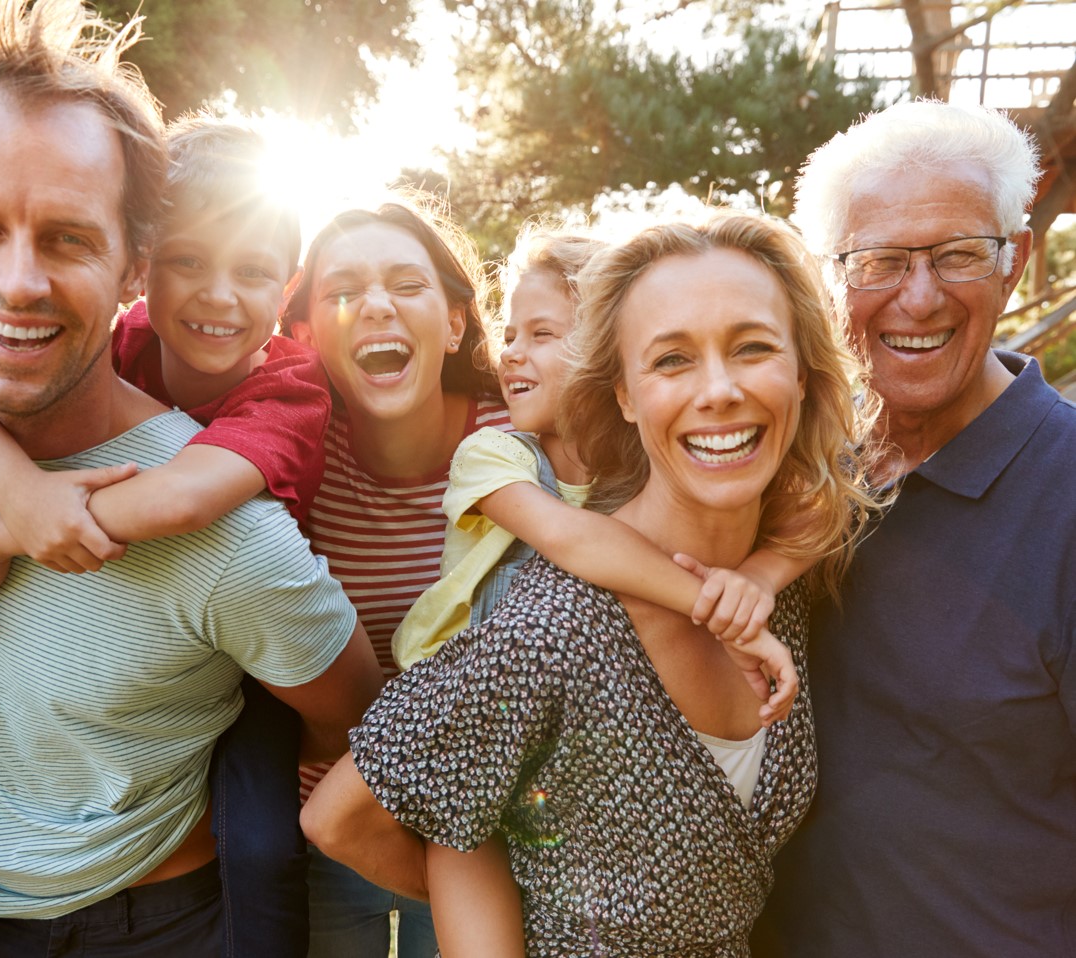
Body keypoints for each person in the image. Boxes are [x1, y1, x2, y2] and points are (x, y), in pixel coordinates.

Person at [0, 2, 382, 955]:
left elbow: (355, 716)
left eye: (67, 238)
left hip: (158, 922)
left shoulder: (235, 517)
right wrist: (16, 492)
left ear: (130, 262)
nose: (18, 283)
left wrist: (17, 530)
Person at [304, 212, 881, 957]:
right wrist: (538, 915)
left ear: (802, 374)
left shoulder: (788, 579)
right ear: (623, 394)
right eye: (671, 359)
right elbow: (339, 819)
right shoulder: (553, 629)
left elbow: (842, 488)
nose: (718, 390)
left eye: (753, 347)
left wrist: (762, 579)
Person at [754, 102, 1076, 958]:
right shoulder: (784, 474)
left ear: (1014, 264)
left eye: (959, 253)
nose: (920, 296)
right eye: (880, 261)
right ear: (828, 279)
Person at [391, 223, 804, 716]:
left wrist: (759, 578)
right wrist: (723, 612)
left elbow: (820, 503)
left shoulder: (645, 461)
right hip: (455, 696)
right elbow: (572, 539)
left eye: (542, 334)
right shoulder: (492, 455)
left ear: (604, 355)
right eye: (510, 336)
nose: (511, 353)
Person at [279, 195, 509, 957]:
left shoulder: (521, 445)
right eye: (342, 291)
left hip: (492, 833)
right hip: (330, 825)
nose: (376, 304)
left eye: (407, 284)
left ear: (456, 323)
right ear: (305, 336)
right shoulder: (293, 460)